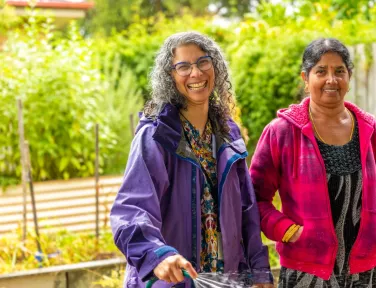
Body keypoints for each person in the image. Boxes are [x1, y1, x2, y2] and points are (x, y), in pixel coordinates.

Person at [110, 31, 273, 288]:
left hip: (225, 281)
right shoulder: (156, 136)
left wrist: (259, 272)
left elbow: (247, 212)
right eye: (183, 66)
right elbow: (132, 210)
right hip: (172, 282)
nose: (195, 73)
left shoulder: (228, 133)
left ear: (215, 66)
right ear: (170, 77)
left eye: (203, 62)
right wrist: (157, 256)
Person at [250, 38, 376, 288]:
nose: (331, 80)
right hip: (305, 274)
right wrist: (288, 231)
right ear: (305, 77)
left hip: (363, 275)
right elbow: (254, 197)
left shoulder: (374, 134)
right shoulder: (282, 133)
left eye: (339, 71)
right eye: (321, 71)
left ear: (349, 77)